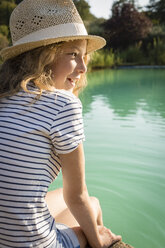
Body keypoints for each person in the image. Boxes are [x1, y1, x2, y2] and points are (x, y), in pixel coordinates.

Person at [0, 0, 122, 247]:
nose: (84, 68)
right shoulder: (62, 104)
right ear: (43, 56)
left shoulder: (4, 97)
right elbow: (76, 197)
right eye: (73, 54)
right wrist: (99, 241)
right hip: (29, 243)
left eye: (84, 56)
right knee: (93, 204)